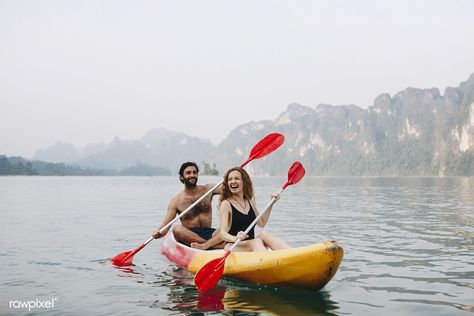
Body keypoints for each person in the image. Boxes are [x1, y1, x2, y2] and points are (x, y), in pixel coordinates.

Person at [152, 162, 224, 250]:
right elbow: (165, 227)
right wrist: (158, 232)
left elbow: (229, 190)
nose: (192, 175)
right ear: (181, 177)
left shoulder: (208, 189)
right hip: (189, 235)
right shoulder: (176, 201)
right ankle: (212, 245)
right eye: (188, 173)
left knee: (227, 226)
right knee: (177, 229)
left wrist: (234, 178)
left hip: (210, 233)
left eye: (194, 172)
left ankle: (208, 244)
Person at [219, 166, 290, 252]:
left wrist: (271, 203)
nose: (233, 181)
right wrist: (236, 238)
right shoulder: (226, 204)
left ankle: (293, 254)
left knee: (263, 235)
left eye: (237, 178)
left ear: (244, 182)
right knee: (256, 242)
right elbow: (222, 234)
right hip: (234, 246)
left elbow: (262, 223)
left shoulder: (249, 201)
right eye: (230, 179)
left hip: (251, 244)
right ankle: (268, 261)